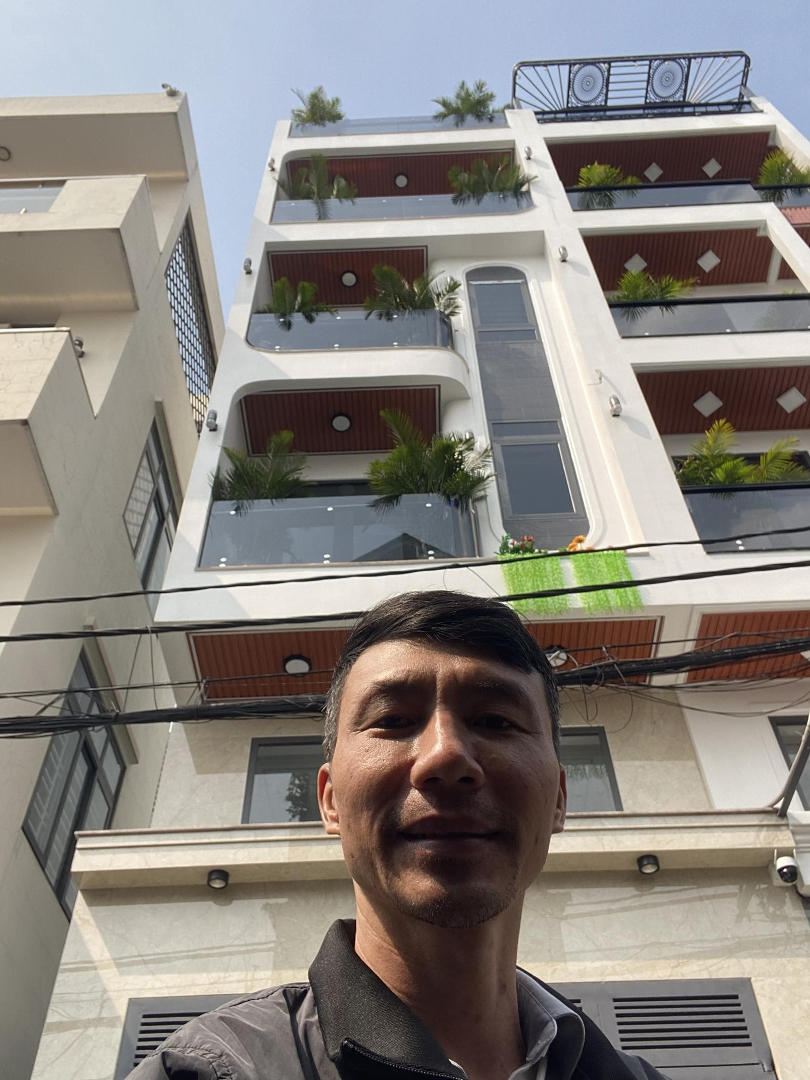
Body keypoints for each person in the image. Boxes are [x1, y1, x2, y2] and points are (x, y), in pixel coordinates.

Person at [128, 590, 667, 1080]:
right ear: (331, 800)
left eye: (496, 721)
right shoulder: (205, 1071)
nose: (445, 756)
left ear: (559, 799)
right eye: (392, 720)